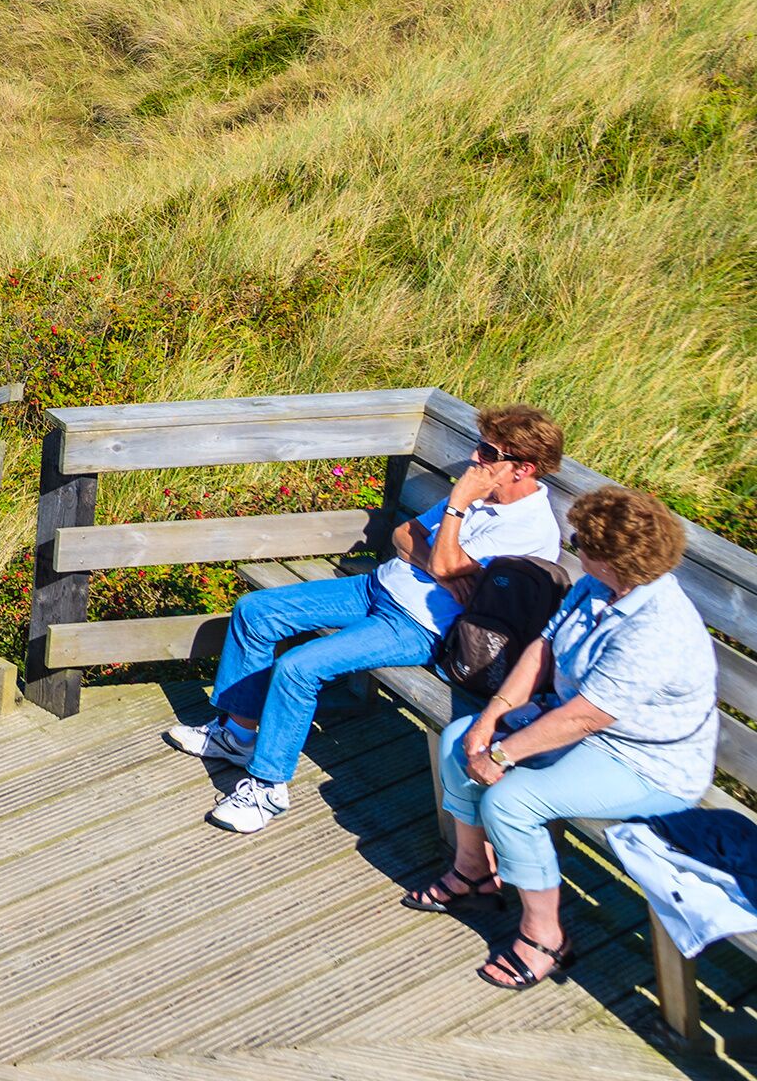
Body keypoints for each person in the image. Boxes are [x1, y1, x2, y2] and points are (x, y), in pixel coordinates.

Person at [170, 403, 566, 832]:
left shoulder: (525, 525)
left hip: (419, 624)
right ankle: (238, 737)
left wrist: (454, 511)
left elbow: (448, 561)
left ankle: (267, 788)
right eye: (479, 447)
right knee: (257, 611)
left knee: (299, 668)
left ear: (522, 468)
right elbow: (403, 536)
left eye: (489, 454)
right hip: (375, 587)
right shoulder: (481, 493)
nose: (475, 459)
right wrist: (440, 566)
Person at [410, 485, 714, 990]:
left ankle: (545, 935)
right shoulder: (596, 587)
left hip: (646, 761)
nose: (573, 543)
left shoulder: (658, 627)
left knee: (512, 801)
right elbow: (542, 651)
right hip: (570, 723)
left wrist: (504, 753)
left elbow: (589, 717)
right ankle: (474, 874)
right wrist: (491, 718)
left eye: (580, 541)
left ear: (611, 559)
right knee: (460, 742)